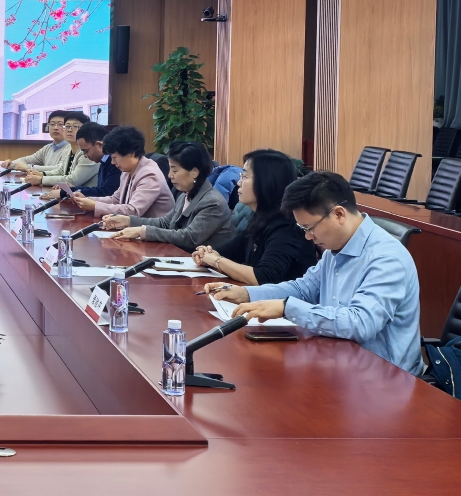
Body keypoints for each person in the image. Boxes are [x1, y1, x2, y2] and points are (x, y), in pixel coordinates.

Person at [208, 171, 423, 374]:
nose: (308, 237)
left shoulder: (386, 259)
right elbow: (303, 288)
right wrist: (247, 294)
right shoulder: (336, 248)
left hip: (383, 377)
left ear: (339, 214)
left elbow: (360, 323)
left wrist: (286, 307)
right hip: (337, 359)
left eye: (309, 228)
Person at [191, 149, 318, 285]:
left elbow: (264, 277)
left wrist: (216, 261)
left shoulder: (288, 226)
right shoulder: (259, 218)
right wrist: (206, 252)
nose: (238, 183)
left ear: (266, 182)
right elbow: (228, 251)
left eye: (245, 176)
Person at [103, 141, 237, 249]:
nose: (170, 175)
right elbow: (165, 223)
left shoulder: (212, 202)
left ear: (194, 172)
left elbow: (189, 238)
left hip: (208, 268)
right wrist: (128, 221)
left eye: (175, 170)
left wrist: (142, 231)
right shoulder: (185, 195)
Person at [68, 125, 176, 220]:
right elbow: (116, 199)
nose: (112, 162)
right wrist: (87, 200)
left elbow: (133, 211)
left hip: (152, 232)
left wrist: (94, 205)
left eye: (114, 157)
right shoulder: (127, 170)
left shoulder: (149, 174)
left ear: (131, 153)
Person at [24, 111, 89, 186]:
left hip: (84, 193)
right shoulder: (68, 149)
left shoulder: (88, 153)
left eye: (75, 126)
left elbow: (73, 180)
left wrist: (41, 180)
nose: (69, 130)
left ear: (85, 130)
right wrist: (42, 174)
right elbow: (61, 171)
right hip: (70, 191)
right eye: (67, 126)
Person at [7, 111, 72, 176]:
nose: (55, 128)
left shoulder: (72, 148)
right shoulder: (47, 148)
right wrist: (11, 164)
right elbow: (27, 160)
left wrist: (28, 167)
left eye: (60, 124)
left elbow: (60, 169)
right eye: (52, 124)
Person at [66, 123, 119, 199]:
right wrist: (73, 189)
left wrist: (71, 191)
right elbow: (100, 189)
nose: (85, 155)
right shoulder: (103, 161)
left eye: (86, 151)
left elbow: (105, 193)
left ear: (99, 145)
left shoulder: (115, 163)